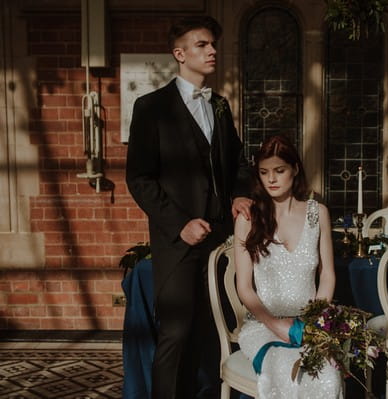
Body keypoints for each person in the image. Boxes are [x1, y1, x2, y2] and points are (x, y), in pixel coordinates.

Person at [126, 16, 252, 399]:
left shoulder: (220, 105)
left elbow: (238, 164)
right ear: (179, 54)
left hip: (222, 238)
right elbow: (140, 179)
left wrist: (241, 194)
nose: (212, 50)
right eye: (202, 45)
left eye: (212, 44)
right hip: (178, 242)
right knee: (177, 332)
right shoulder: (151, 108)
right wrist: (180, 223)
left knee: (213, 330)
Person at [234, 135, 342, 398]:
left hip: (309, 324)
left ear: (294, 169)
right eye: (264, 172)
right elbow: (244, 288)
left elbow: (327, 275)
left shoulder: (318, 213)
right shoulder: (248, 219)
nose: (271, 179)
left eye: (279, 171)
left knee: (328, 374)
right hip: (263, 326)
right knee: (285, 368)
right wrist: (275, 324)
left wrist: (314, 322)